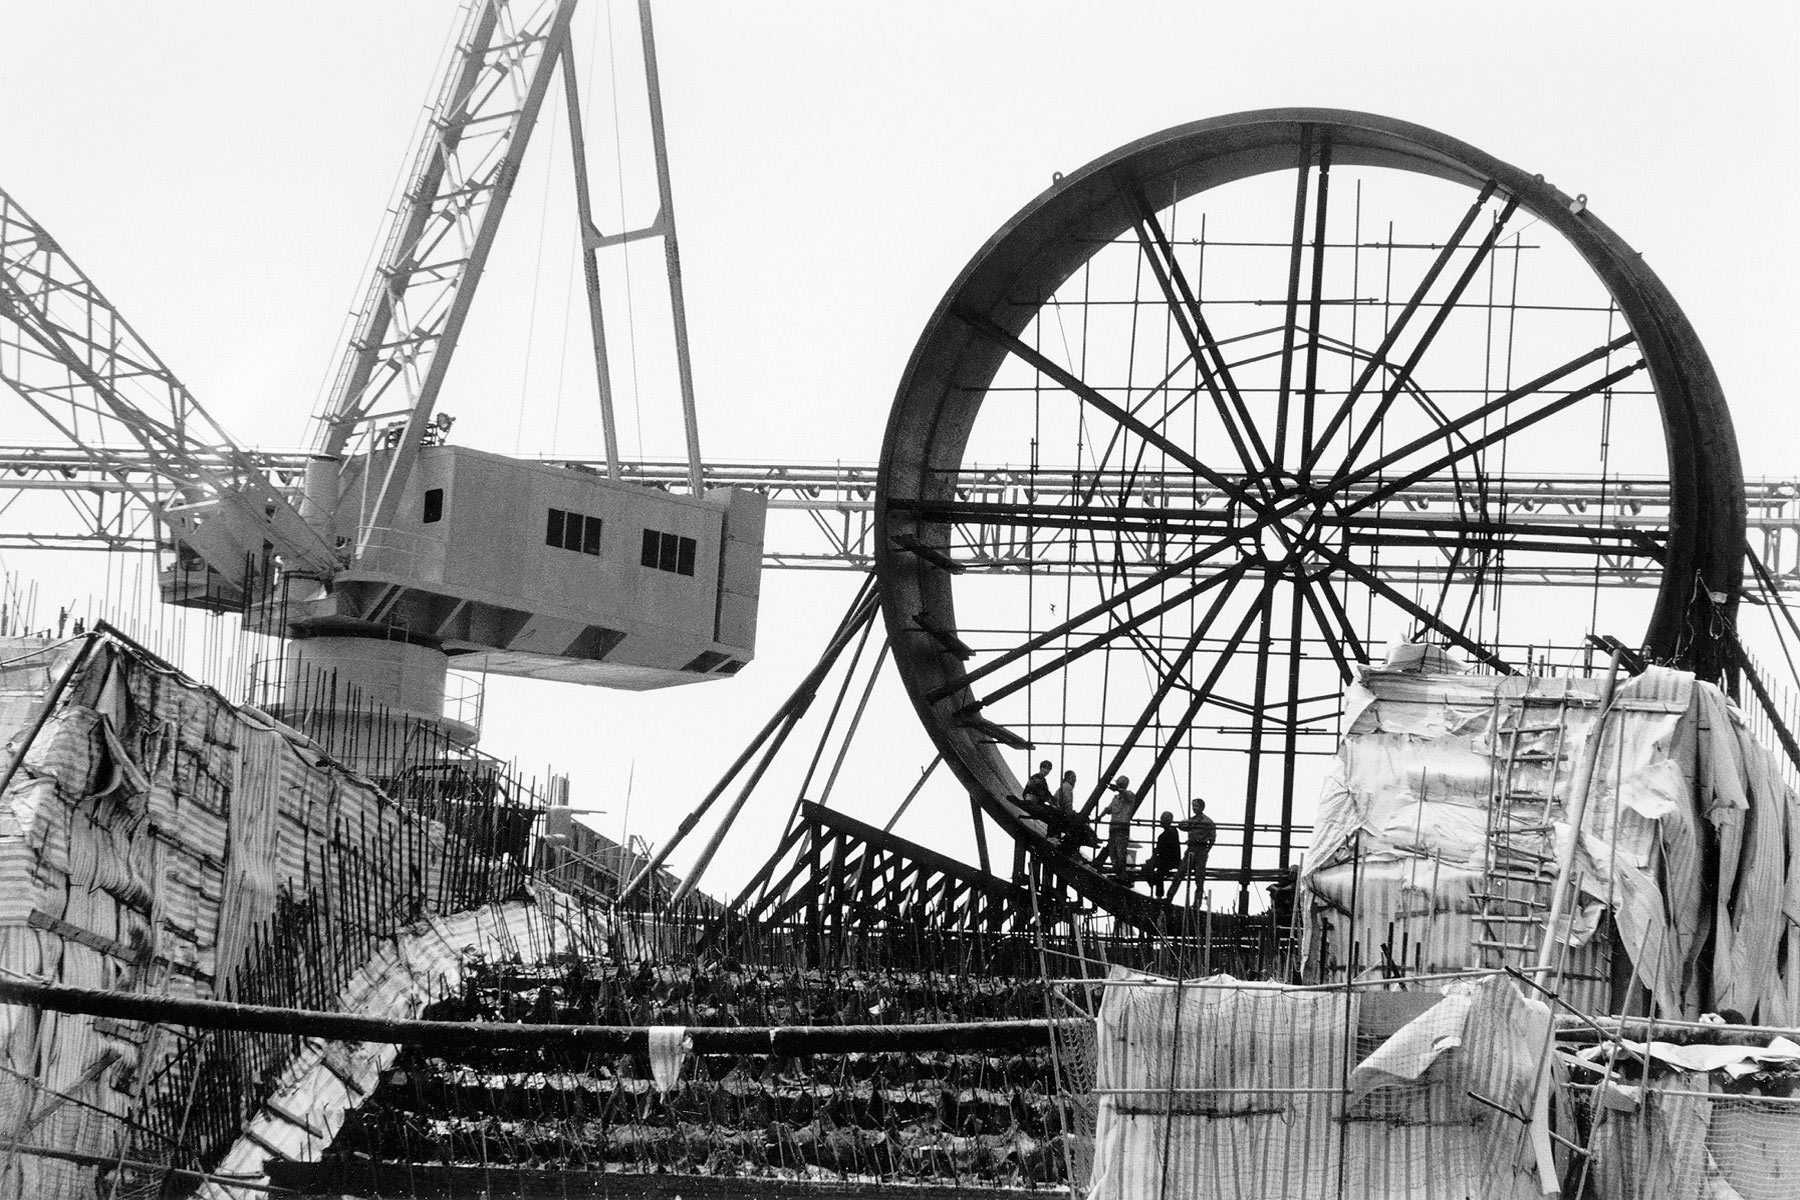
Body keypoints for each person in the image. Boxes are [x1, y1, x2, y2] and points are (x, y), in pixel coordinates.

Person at [1179, 798, 1217, 898]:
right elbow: (1182, 827)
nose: (1193, 808)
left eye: (1195, 806)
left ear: (1201, 807)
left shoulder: (1206, 821)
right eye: (1193, 806)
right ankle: (1170, 897)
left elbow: (1213, 837)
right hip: (1194, 849)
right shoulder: (1194, 820)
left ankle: (1197, 903)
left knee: (1198, 879)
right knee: (1181, 873)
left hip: (1200, 850)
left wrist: (1207, 849)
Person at [1104, 776, 1136, 882]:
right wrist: (1099, 816)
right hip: (1114, 826)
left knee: (1120, 851)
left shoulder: (1130, 795)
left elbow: (1126, 794)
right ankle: (1118, 873)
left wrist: (1118, 789)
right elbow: (1108, 809)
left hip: (1122, 827)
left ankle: (1122, 874)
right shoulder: (1116, 798)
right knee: (1113, 852)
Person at [1148, 812, 1181, 898]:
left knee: (1157, 872)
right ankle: (1158, 893)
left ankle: (1159, 894)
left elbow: (1159, 851)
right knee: (1157, 871)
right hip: (1171, 860)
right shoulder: (1173, 831)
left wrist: (1152, 860)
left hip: (1167, 861)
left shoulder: (1165, 835)